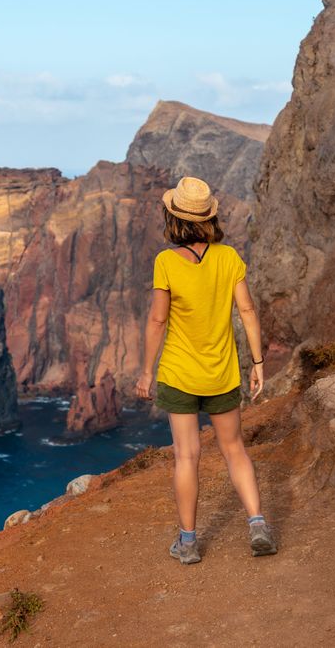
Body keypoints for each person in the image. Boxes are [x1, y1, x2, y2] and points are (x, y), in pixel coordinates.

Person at [134, 175, 278, 565]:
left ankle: (188, 542)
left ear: (174, 217)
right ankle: (258, 524)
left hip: (180, 374)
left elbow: (156, 321)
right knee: (234, 450)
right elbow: (247, 311)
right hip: (222, 373)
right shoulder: (229, 258)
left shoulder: (166, 262)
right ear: (209, 218)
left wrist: (146, 372)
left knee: (186, 456)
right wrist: (258, 361)